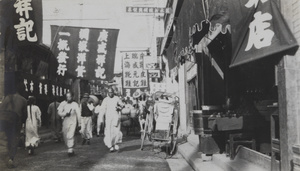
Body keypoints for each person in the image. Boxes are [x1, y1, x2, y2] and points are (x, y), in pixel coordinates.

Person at [0, 83, 27, 168]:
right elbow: (25, 115)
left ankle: (6, 155)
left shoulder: (7, 97)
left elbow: (1, 108)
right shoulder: (23, 100)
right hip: (15, 121)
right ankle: (10, 159)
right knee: (14, 140)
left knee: (6, 139)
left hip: (3, 121)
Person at [58, 92, 81, 157]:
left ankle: (70, 149)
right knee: (65, 135)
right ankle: (69, 147)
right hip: (65, 122)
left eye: (70, 97)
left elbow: (78, 114)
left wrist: (79, 123)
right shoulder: (63, 104)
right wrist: (65, 114)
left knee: (70, 135)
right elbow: (59, 112)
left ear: (72, 97)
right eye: (67, 97)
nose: (68, 98)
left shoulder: (75, 104)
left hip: (73, 122)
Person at [102, 88, 124, 152]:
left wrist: (119, 107)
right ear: (107, 93)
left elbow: (122, 105)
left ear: (113, 92)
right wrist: (101, 117)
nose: (111, 93)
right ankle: (110, 146)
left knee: (116, 131)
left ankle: (116, 143)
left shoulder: (116, 98)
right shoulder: (105, 100)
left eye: (112, 92)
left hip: (115, 117)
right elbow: (102, 109)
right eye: (109, 92)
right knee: (109, 132)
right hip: (108, 118)